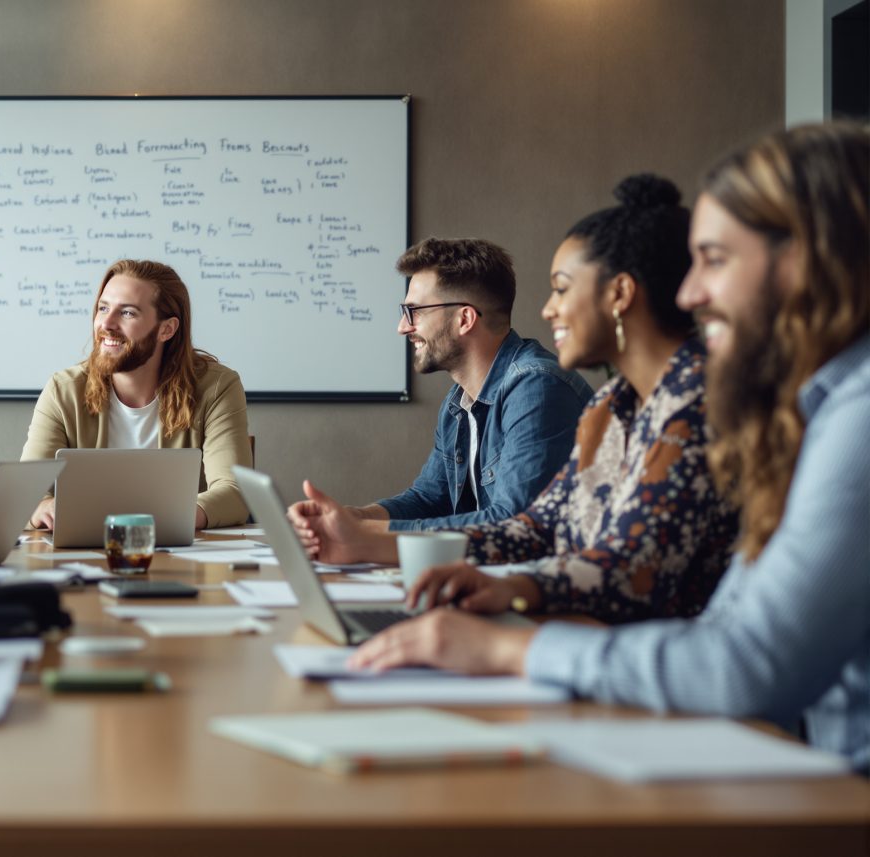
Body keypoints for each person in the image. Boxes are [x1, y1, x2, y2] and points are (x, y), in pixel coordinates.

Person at [347, 123, 870, 773]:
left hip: (799, 768)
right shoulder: (618, 404)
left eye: (715, 259)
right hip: (733, 728)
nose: (690, 294)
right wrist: (491, 584)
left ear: (807, 259)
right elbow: (542, 525)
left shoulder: (796, 411)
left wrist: (507, 643)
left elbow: (726, 647)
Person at [294, 176, 740, 623]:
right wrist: (358, 531)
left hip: (650, 652)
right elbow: (535, 528)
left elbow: (628, 574)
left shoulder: (693, 403)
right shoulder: (612, 405)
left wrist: (509, 618)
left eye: (561, 288)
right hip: (590, 633)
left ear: (619, 294)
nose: (547, 309)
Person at [298, 238, 592, 533]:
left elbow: (511, 523)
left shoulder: (537, 388)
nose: (402, 327)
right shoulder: (458, 404)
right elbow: (428, 498)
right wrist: (353, 517)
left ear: (464, 319)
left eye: (415, 311)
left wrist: (361, 535)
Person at [20, 259, 252, 530]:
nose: (106, 323)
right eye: (103, 308)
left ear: (167, 329)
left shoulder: (217, 387)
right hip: (85, 551)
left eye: (127, 313)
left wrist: (169, 519)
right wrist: (41, 507)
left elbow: (234, 493)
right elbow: (24, 493)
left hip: (181, 548)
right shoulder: (63, 390)